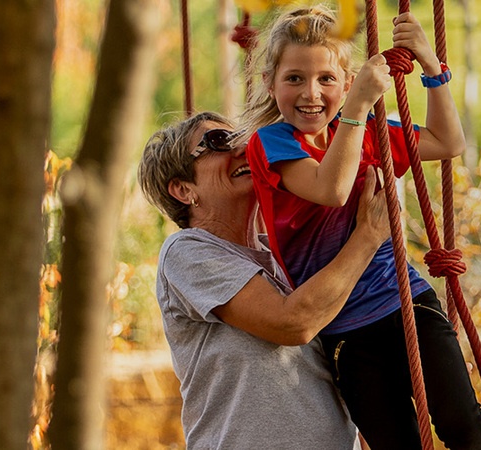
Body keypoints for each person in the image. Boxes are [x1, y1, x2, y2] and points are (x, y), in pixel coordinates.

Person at [239, 6, 481, 450]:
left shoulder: (367, 133)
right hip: (344, 331)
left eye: (326, 79)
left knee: (465, 426)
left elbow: (447, 141)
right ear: (270, 83)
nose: (311, 93)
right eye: (294, 78)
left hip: (404, 302)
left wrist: (432, 68)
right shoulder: (271, 143)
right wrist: (358, 104)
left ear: (346, 80)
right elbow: (331, 189)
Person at [137, 111, 385, 449]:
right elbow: (292, 323)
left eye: (242, 137)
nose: (245, 147)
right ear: (183, 189)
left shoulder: (285, 255)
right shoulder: (187, 253)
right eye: (218, 142)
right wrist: (367, 236)